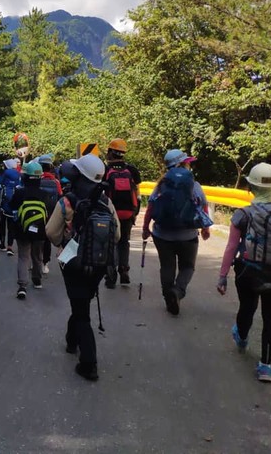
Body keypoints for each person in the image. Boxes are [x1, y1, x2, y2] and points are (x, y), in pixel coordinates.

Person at [217, 163, 271, 382]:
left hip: (251, 273)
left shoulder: (243, 214)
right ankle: (266, 366)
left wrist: (222, 276)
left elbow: (230, 247)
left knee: (247, 307)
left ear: (250, 187)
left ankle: (243, 338)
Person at [46, 153, 121, 381]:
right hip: (98, 264)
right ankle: (71, 340)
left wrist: (64, 243)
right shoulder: (106, 201)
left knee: (81, 312)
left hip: (73, 263)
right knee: (81, 304)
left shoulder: (67, 201)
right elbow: (116, 234)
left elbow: (50, 232)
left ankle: (89, 363)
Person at [142, 149, 211, 316]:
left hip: (162, 235)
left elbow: (151, 207)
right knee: (187, 267)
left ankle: (169, 298)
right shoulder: (193, 184)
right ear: (182, 164)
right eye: (187, 162)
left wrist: (145, 228)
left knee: (167, 267)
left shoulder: (161, 184)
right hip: (188, 235)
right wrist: (205, 228)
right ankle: (178, 291)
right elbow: (203, 205)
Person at [10, 161, 54, 299]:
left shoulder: (20, 192)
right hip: (40, 230)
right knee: (37, 255)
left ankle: (22, 285)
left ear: (25, 177)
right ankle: (37, 279)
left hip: (22, 229)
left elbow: (12, 207)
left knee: (23, 256)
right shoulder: (45, 195)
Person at [103, 139, 142, 288]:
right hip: (127, 213)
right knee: (124, 241)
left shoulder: (105, 170)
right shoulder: (131, 170)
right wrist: (135, 211)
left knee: (111, 242)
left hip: (110, 212)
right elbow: (137, 192)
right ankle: (124, 268)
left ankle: (110, 273)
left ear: (110, 152)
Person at [38, 154, 63, 276]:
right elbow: (60, 197)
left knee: (37, 237)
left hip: (37, 212)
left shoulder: (36, 179)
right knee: (47, 238)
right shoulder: (56, 181)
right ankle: (45, 263)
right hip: (51, 213)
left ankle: (35, 261)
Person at [0, 158, 21, 256]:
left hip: (4, 203)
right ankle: (10, 246)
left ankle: (2, 244)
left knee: (2, 224)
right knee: (11, 226)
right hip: (15, 204)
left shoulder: (5, 173)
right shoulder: (18, 174)